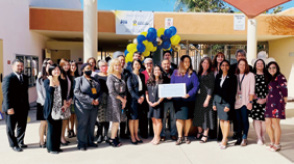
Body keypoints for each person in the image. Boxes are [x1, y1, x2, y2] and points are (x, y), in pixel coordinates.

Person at [2, 59, 30, 152]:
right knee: (11, 127)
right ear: (12, 66)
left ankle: (20, 142)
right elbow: (6, 94)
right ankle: (13, 145)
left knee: (22, 125)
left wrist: (27, 105)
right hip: (12, 108)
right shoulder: (8, 78)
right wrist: (9, 107)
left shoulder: (25, 77)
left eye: (21, 65)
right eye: (18, 65)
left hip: (23, 107)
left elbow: (25, 93)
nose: (20, 67)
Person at [171, 55, 199, 145]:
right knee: (179, 118)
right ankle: (180, 137)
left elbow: (196, 86)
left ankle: (186, 136)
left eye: (189, 61)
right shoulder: (175, 72)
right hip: (178, 100)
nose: (187, 63)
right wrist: (170, 94)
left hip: (189, 100)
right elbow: (172, 85)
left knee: (188, 119)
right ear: (181, 62)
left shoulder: (192, 73)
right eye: (185, 61)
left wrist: (189, 94)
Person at [74, 63, 100, 150]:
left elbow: (100, 92)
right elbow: (77, 92)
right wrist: (90, 100)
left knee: (91, 124)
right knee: (83, 124)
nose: (89, 69)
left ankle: (90, 141)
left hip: (94, 106)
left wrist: (97, 100)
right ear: (82, 70)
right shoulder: (78, 80)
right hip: (82, 106)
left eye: (91, 68)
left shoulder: (94, 79)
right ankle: (81, 143)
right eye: (87, 68)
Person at [212, 60, 237, 149]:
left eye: (226, 65)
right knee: (221, 120)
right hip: (218, 102)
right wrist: (214, 103)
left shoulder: (233, 77)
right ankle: (224, 138)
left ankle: (224, 139)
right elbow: (215, 91)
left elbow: (232, 93)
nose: (224, 67)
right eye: (223, 65)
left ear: (229, 67)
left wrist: (229, 105)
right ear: (220, 66)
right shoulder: (218, 76)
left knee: (226, 120)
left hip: (227, 103)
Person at [265, 61, 287, 152]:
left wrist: (283, 104)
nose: (272, 69)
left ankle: (277, 144)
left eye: (273, 67)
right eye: (270, 68)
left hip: (277, 103)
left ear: (277, 68)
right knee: (267, 123)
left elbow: (284, 91)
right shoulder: (269, 78)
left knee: (275, 124)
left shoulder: (280, 77)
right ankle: (272, 142)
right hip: (268, 103)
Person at [193, 57, 215, 143]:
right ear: (201, 63)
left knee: (206, 117)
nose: (205, 64)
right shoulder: (199, 73)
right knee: (198, 115)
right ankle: (200, 131)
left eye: (207, 63)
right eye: (204, 62)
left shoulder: (211, 74)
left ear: (209, 65)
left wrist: (207, 99)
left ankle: (205, 134)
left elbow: (211, 88)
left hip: (207, 97)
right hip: (199, 97)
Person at [43, 64, 64, 154]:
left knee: (58, 128)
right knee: (51, 129)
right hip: (51, 109)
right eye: (54, 70)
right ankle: (51, 148)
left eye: (58, 70)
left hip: (59, 108)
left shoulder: (60, 81)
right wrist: (51, 81)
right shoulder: (46, 81)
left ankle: (56, 146)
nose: (57, 71)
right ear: (50, 71)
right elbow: (50, 91)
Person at [234, 59, 255, 146]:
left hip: (245, 101)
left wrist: (250, 102)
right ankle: (239, 137)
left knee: (244, 120)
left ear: (246, 66)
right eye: (240, 64)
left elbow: (252, 90)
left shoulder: (250, 75)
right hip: (236, 101)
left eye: (244, 64)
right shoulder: (235, 75)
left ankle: (244, 137)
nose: (242, 66)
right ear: (238, 65)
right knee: (238, 121)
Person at [106, 59, 127, 147]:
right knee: (115, 121)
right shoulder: (110, 77)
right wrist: (122, 99)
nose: (117, 66)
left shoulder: (121, 75)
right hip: (114, 101)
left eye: (119, 65)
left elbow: (125, 89)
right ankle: (112, 139)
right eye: (115, 65)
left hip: (122, 100)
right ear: (112, 66)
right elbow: (111, 91)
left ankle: (115, 136)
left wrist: (124, 99)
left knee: (119, 120)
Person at [250, 59, 269, 145]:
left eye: (262, 63)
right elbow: (249, 89)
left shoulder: (267, 75)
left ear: (264, 65)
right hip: (255, 100)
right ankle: (259, 137)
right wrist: (257, 99)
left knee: (264, 120)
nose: (260, 64)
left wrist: (265, 99)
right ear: (255, 65)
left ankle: (263, 134)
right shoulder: (251, 75)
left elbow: (272, 89)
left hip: (267, 101)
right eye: (258, 63)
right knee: (257, 119)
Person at [127, 59, 146, 144]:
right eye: (135, 64)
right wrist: (138, 97)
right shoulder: (129, 75)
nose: (137, 65)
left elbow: (143, 88)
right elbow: (130, 89)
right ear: (132, 65)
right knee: (132, 119)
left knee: (137, 119)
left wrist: (142, 97)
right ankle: (132, 136)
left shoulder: (142, 75)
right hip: (133, 100)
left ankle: (136, 135)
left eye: (138, 64)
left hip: (140, 99)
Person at [36, 58, 52, 148]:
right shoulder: (40, 77)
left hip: (50, 103)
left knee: (48, 123)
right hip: (42, 103)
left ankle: (47, 140)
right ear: (44, 65)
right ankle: (41, 141)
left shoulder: (53, 75)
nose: (50, 65)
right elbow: (39, 92)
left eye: (51, 63)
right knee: (43, 123)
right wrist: (45, 103)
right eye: (48, 63)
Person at [146, 65, 164, 145]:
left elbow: (163, 94)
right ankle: (155, 136)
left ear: (160, 71)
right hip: (151, 103)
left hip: (158, 103)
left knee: (158, 120)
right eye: (155, 70)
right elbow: (146, 93)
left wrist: (158, 102)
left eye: (158, 70)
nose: (157, 71)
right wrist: (148, 101)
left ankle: (157, 136)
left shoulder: (162, 81)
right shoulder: (149, 81)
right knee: (153, 120)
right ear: (153, 71)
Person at [160, 59, 177, 141]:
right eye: (164, 64)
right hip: (163, 99)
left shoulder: (174, 72)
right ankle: (162, 134)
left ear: (170, 64)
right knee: (163, 118)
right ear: (161, 64)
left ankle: (173, 133)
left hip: (172, 98)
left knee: (173, 117)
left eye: (167, 63)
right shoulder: (159, 73)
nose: (166, 65)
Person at [114, 51, 130, 139]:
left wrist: (125, 98)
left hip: (125, 97)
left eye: (123, 60)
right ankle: (115, 135)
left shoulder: (127, 72)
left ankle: (123, 133)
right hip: (116, 98)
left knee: (124, 116)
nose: (122, 62)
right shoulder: (114, 72)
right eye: (120, 60)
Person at [94, 60, 110, 143]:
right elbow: (93, 88)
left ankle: (106, 135)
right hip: (100, 99)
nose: (104, 67)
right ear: (99, 67)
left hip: (109, 98)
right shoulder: (96, 76)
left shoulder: (110, 75)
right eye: (102, 66)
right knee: (100, 118)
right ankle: (100, 134)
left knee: (107, 117)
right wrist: (95, 97)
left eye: (106, 65)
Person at [59, 59, 73, 146]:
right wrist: (64, 101)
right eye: (65, 65)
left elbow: (71, 89)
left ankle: (62, 136)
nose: (67, 66)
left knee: (65, 120)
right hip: (61, 103)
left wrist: (70, 99)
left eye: (68, 65)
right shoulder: (60, 76)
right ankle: (60, 138)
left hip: (68, 101)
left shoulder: (68, 75)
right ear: (61, 66)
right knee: (61, 120)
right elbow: (60, 91)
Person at [211, 52, 225, 141]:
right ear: (215, 58)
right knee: (213, 114)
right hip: (212, 93)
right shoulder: (212, 68)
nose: (220, 58)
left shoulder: (226, 68)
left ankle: (221, 135)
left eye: (221, 57)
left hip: (222, 94)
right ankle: (212, 134)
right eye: (218, 57)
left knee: (222, 115)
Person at [141, 58, 154, 137]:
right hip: (145, 97)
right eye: (147, 63)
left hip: (154, 97)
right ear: (144, 65)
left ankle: (152, 132)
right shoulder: (142, 74)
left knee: (153, 115)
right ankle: (144, 132)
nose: (149, 65)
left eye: (150, 63)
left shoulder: (155, 73)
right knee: (144, 116)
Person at [68, 60, 79, 138]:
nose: (73, 67)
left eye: (74, 66)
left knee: (74, 115)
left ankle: (73, 130)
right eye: (72, 65)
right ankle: (69, 130)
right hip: (69, 98)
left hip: (76, 98)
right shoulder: (67, 76)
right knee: (69, 115)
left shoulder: (78, 76)